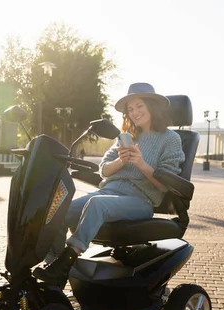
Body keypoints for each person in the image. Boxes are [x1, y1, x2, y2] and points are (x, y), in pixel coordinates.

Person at [32, 82, 185, 287]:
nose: (135, 112)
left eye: (139, 106)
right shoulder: (126, 138)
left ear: (152, 106)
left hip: (140, 200)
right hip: (109, 191)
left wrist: (140, 163)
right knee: (57, 211)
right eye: (130, 109)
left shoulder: (170, 139)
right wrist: (121, 161)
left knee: (98, 204)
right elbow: (103, 169)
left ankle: (66, 261)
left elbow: (165, 184)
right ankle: (54, 277)